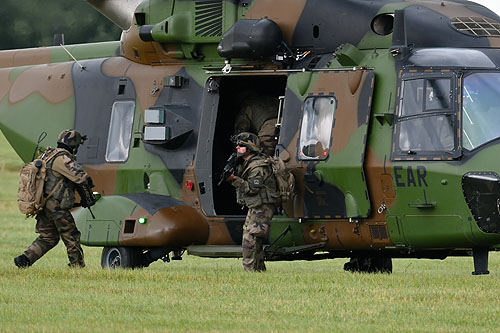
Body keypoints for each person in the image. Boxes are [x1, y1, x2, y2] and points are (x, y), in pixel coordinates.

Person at [14, 129, 92, 268]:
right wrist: (89, 192)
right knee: (70, 235)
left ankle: (25, 259)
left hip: (42, 204)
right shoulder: (63, 158)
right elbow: (81, 177)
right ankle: (77, 266)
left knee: (48, 237)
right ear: (73, 145)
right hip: (56, 207)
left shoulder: (47, 155)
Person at [227, 132, 278, 271]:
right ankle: (258, 269)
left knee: (250, 237)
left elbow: (252, 189)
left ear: (249, 149)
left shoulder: (258, 167)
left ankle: (249, 269)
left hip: (263, 205)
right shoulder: (247, 163)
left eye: (241, 146)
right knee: (255, 238)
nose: (237, 148)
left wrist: (233, 180)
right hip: (256, 205)